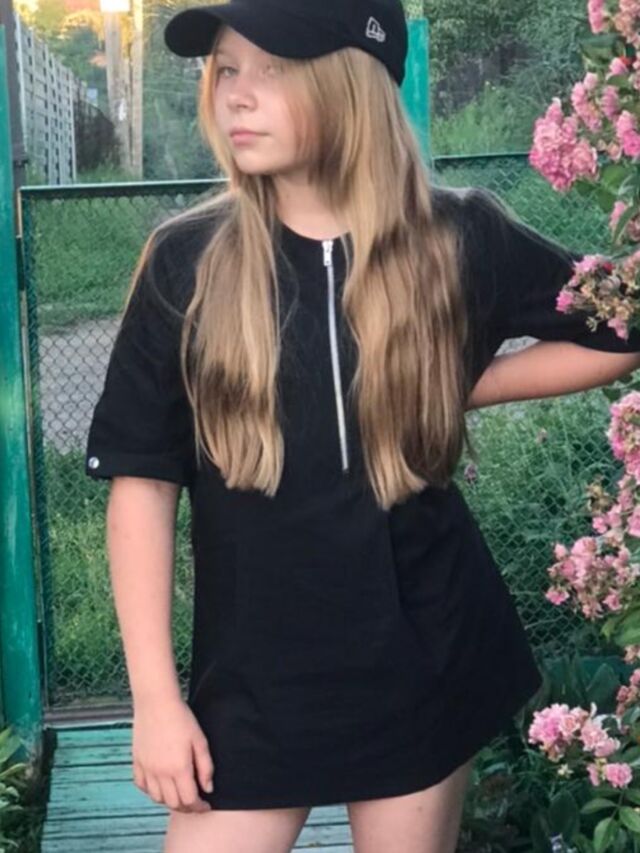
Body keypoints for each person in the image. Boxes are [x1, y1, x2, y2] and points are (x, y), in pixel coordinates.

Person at [84, 0, 640, 850]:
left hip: (424, 666)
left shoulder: (455, 238)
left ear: (353, 82)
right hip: (253, 688)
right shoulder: (186, 263)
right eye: (226, 69)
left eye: (272, 68)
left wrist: (459, 386)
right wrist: (156, 701)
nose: (236, 94)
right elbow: (142, 487)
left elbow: (621, 323)